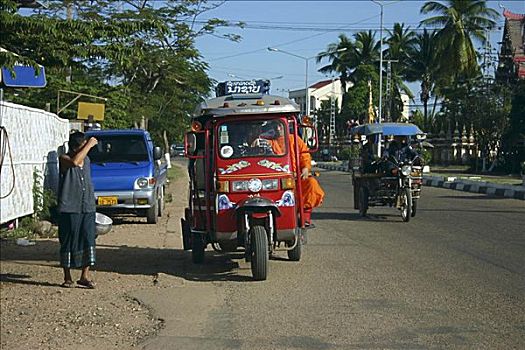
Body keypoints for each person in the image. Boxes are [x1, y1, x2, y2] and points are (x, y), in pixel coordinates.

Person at [57, 131, 98, 289]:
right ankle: (67, 276)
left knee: (88, 238)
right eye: (84, 145)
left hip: (86, 205)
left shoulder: (86, 160)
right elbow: (75, 162)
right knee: (68, 240)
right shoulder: (65, 159)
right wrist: (89, 144)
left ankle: (84, 275)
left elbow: (81, 160)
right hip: (70, 207)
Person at [266, 122, 324, 226]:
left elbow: (305, 155)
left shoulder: (295, 139)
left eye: (280, 125)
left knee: (311, 183)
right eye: (276, 125)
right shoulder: (268, 142)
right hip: (277, 181)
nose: (278, 128)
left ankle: (304, 217)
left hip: (296, 178)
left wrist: (305, 169)